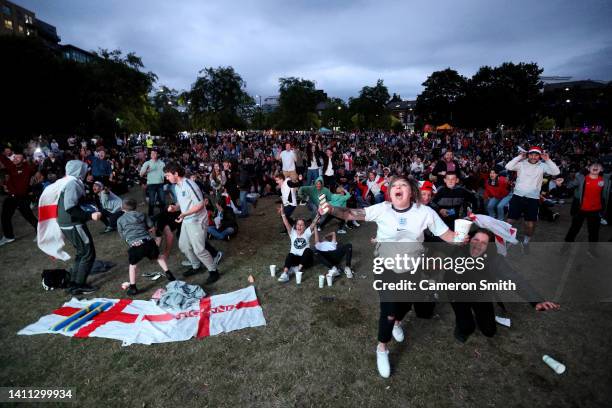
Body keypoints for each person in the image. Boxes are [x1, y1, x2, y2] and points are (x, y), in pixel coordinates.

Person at [320, 175, 460, 378]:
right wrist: (331, 210)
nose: (398, 187)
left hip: (412, 269)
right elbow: (351, 214)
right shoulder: (382, 208)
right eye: (394, 185)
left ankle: (396, 323)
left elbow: (447, 235)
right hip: (385, 268)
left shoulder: (425, 212)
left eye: (403, 185)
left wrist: (461, 238)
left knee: (405, 303)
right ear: (390, 191)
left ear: (411, 191)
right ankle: (382, 348)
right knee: (389, 309)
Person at [447, 228, 560, 342]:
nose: (477, 245)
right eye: (475, 240)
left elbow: (515, 280)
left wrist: (536, 300)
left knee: (489, 331)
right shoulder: (458, 248)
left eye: (483, 243)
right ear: (469, 240)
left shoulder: (495, 260)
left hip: (480, 296)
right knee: (466, 327)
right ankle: (463, 326)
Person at [164, 162, 220, 284]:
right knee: (184, 246)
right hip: (187, 219)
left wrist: (185, 214)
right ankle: (196, 266)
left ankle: (213, 271)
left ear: (176, 174)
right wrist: (175, 208)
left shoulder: (190, 185)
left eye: (168, 175)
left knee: (199, 249)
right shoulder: (177, 186)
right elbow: (184, 203)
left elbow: (200, 204)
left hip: (197, 220)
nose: (166, 178)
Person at [58, 160, 104, 295]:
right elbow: (70, 207)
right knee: (88, 253)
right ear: (78, 170)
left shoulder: (69, 181)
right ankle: (79, 284)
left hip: (67, 224)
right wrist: (90, 216)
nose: (86, 171)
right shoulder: (72, 183)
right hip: (72, 224)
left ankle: (74, 282)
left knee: (81, 252)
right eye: (84, 169)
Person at [505, 146, 560, 253]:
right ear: (528, 154)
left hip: (533, 199)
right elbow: (508, 166)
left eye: (536, 155)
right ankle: (508, 239)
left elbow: (556, 172)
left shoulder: (543, 166)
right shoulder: (521, 164)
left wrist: (548, 160)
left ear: (540, 156)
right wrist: (519, 156)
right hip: (517, 197)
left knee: (530, 224)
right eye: (531, 154)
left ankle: (526, 242)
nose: (534, 157)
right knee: (509, 221)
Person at [117, 198, 176, 296]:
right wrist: (147, 231)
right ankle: (169, 274)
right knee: (158, 256)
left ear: (122, 208)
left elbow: (122, 235)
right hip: (148, 242)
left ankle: (133, 287)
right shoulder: (142, 215)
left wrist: (129, 238)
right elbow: (151, 227)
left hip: (135, 245)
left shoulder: (120, 220)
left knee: (133, 266)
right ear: (135, 207)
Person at [564, 163, 610, 246]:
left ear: (602, 170)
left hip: (595, 210)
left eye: (598, 166)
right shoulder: (581, 178)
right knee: (574, 228)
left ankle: (592, 250)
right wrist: (561, 183)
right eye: (593, 166)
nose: (595, 167)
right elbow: (569, 185)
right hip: (581, 209)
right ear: (588, 168)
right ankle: (567, 245)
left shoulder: (605, 180)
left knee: (594, 231)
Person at [0, 148, 39, 246]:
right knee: (5, 216)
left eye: (18, 158)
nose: (16, 159)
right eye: (15, 157)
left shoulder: (27, 168)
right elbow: (3, 159)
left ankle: (41, 233)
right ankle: (9, 237)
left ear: (24, 160)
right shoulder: (11, 167)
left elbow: (35, 167)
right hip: (12, 197)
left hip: (22, 197)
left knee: (28, 216)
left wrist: (33, 160)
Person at [277, 207, 320, 283]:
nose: (299, 226)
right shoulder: (292, 233)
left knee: (308, 250)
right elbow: (286, 223)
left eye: (301, 225)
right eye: (298, 225)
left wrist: (318, 214)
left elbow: (313, 223)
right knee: (290, 254)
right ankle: (285, 274)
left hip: (306, 261)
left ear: (305, 227)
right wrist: (283, 213)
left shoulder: (307, 233)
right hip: (295, 260)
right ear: (295, 226)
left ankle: (298, 270)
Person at [140, 150, 166, 217]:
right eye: (152, 153)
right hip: (151, 184)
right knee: (152, 200)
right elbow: (141, 174)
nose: (153, 154)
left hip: (160, 183)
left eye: (155, 153)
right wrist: (146, 171)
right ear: (150, 155)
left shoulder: (162, 163)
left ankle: (163, 213)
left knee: (162, 200)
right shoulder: (147, 163)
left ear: (157, 154)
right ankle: (150, 214)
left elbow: (165, 173)